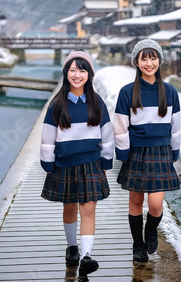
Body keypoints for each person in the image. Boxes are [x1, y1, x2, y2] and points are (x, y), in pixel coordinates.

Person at [40, 51, 114, 276]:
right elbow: (47, 137)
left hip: (91, 162)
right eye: (72, 70)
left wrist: (107, 158)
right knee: (69, 207)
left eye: (82, 70)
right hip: (65, 164)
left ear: (89, 74)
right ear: (66, 73)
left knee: (89, 209)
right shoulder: (57, 105)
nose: (77, 74)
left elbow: (107, 134)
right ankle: (72, 247)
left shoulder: (97, 102)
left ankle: (86, 256)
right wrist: (47, 162)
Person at [114, 39, 181, 262]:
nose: (149, 63)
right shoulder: (127, 92)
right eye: (144, 58)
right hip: (136, 152)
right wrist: (123, 153)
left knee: (155, 204)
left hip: (161, 151)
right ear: (137, 62)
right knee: (135, 201)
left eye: (153, 58)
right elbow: (121, 126)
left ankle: (151, 230)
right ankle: (138, 246)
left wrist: (175, 150)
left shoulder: (170, 92)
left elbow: (176, 126)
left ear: (159, 61)